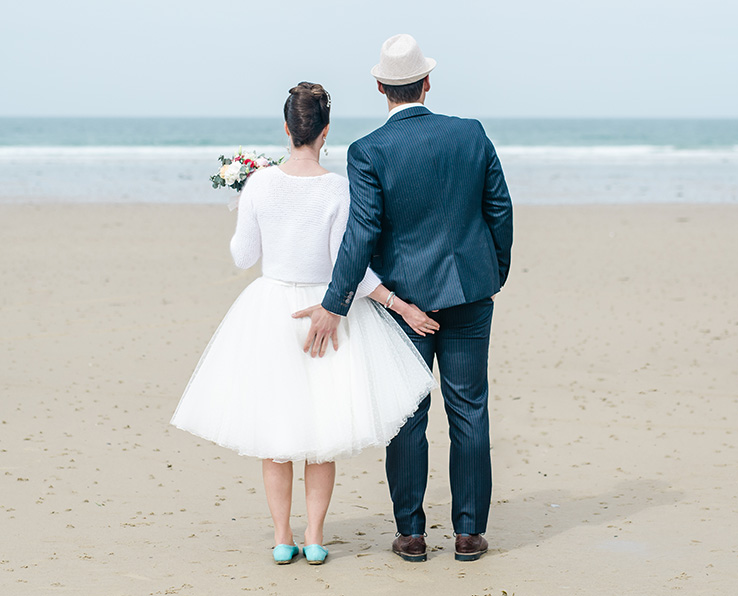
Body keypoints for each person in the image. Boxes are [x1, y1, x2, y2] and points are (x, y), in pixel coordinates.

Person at [170, 82, 437, 566]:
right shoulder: (337, 186)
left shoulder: (259, 184)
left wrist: (240, 210)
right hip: (326, 312)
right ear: (325, 132)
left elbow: (243, 256)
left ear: (287, 129)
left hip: (271, 310)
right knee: (321, 431)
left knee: (276, 435)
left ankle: (281, 537)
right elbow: (349, 266)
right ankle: (314, 537)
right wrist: (398, 305)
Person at [296, 35, 513, 562]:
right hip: (469, 294)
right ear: (427, 81)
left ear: (380, 87)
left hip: (402, 303)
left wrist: (335, 302)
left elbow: (361, 235)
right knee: (469, 412)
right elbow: (499, 210)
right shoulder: (470, 134)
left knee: (407, 415)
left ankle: (412, 534)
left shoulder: (370, 150)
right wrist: (493, 274)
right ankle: (468, 533)